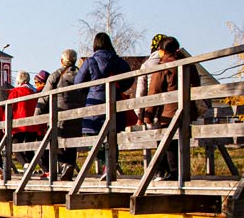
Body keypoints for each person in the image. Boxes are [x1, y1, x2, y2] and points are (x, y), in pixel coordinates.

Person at [74, 32, 134, 174]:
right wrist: (119, 89)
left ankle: (106, 164)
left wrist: (89, 92)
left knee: (94, 136)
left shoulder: (90, 61)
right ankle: (111, 164)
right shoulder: (119, 61)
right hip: (115, 100)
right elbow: (130, 79)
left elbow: (78, 83)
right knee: (112, 135)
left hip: (95, 102)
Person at [142, 36, 200, 181]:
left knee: (169, 143)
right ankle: (183, 172)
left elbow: (154, 91)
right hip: (186, 109)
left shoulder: (163, 66)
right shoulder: (188, 64)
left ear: (162, 51)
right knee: (182, 139)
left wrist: (148, 115)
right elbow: (197, 83)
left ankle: (174, 172)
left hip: (169, 111)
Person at [45, 49, 84, 177]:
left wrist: (36, 116)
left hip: (60, 113)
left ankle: (64, 166)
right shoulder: (81, 75)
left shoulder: (56, 75)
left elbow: (44, 97)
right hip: (78, 113)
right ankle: (69, 168)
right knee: (72, 141)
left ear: (62, 61)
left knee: (58, 140)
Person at [7, 70, 38, 168]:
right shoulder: (34, 92)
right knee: (29, 147)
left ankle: (25, 165)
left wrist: (5, 122)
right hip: (33, 124)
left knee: (15, 146)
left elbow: (9, 107)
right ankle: (30, 167)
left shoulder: (15, 91)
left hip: (19, 124)